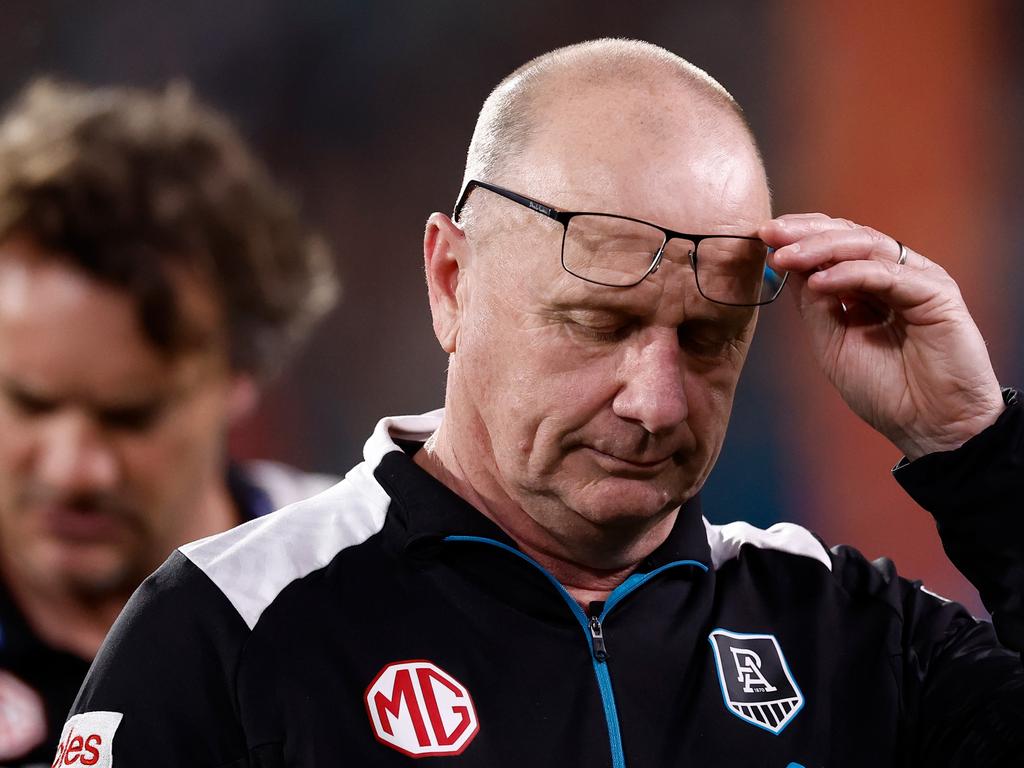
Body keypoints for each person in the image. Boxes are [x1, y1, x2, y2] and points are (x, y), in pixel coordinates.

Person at [61, 40, 1022, 766]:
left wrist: (975, 450)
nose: (654, 403)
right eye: (599, 326)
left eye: (705, 340)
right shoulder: (227, 630)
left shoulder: (850, 632)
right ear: (451, 280)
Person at [0, 79, 339, 764]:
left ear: (243, 377)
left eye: (131, 416)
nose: (74, 469)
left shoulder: (365, 588)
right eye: (29, 404)